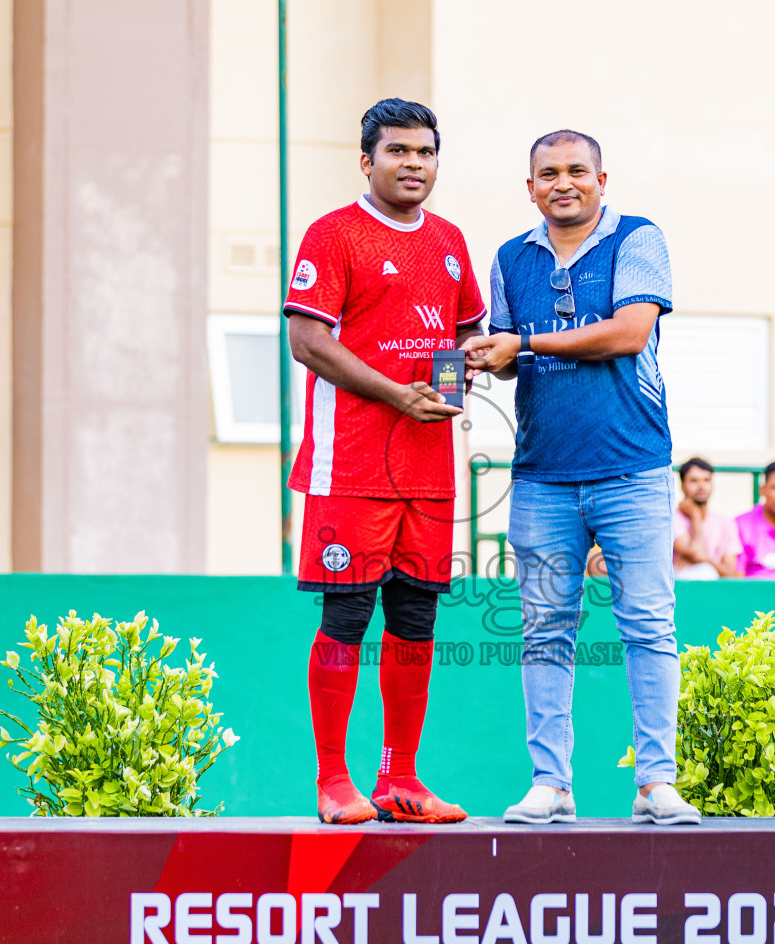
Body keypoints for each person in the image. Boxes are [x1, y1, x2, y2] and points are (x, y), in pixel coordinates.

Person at [463, 129, 699, 826]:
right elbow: (509, 360)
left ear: (602, 179)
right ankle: (551, 785)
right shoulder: (510, 258)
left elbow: (629, 333)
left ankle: (656, 783)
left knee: (649, 626)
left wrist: (524, 343)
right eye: (547, 174)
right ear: (529, 186)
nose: (562, 183)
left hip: (633, 467)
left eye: (576, 171)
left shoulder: (638, 239)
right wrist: (485, 357)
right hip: (541, 474)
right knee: (544, 632)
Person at [284, 98, 485, 825]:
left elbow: (462, 342)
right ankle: (333, 781)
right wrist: (399, 397)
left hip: (429, 472)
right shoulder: (334, 235)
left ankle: (400, 779)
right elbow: (307, 342)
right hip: (353, 468)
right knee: (347, 614)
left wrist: (457, 384)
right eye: (398, 151)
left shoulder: (452, 242)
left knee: (415, 617)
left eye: (426, 152)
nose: (414, 165)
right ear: (366, 160)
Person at [673, 457, 740, 580]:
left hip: (715, 591)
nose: (701, 485)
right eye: (694, 480)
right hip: (681, 589)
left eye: (706, 480)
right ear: (682, 486)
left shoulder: (725, 522)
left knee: (706, 570)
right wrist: (695, 515)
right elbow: (695, 553)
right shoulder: (673, 519)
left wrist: (707, 559)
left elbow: (731, 573)